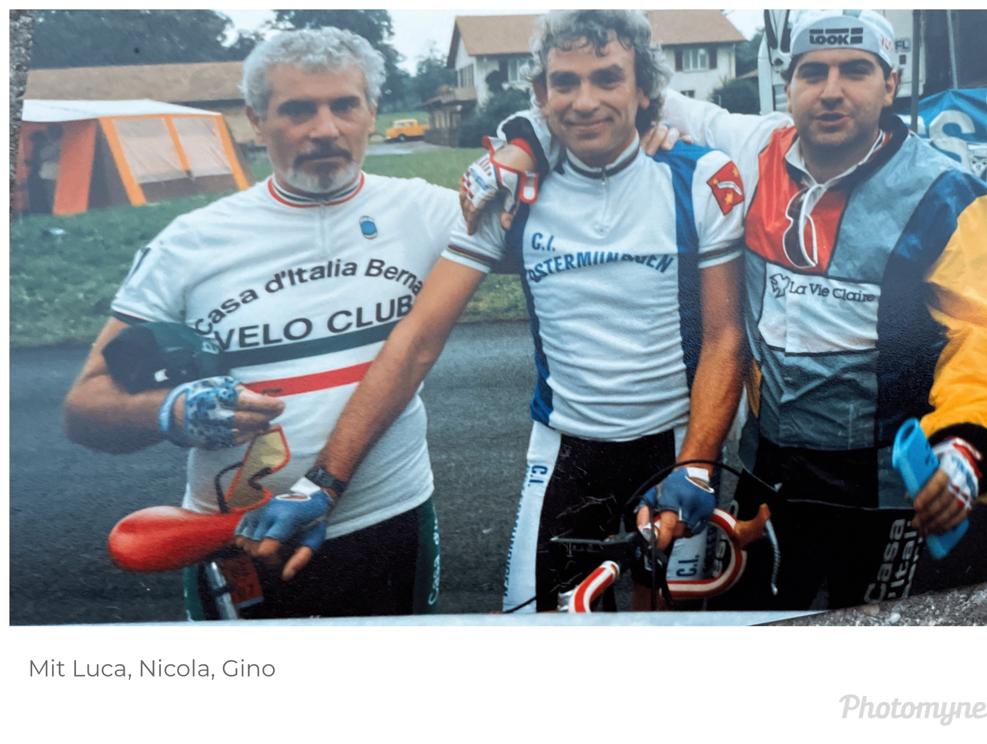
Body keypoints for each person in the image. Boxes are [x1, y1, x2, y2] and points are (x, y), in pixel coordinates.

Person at [478, 9, 987, 609]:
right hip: (769, 474)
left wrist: (967, 444)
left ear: (891, 83)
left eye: (856, 71)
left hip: (891, 489)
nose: (831, 90)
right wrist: (523, 140)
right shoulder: (754, 149)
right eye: (813, 72)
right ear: (788, 85)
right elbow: (604, 95)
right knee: (750, 632)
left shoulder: (950, 194)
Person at [263, 10, 747, 612]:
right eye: (564, 82)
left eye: (607, 78)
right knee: (540, 628)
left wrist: (698, 464)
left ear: (644, 89)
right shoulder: (512, 190)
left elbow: (725, 337)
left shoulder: (701, 176)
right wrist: (323, 482)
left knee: (671, 630)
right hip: (566, 448)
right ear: (541, 94)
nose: (585, 101)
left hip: (676, 444)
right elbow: (417, 339)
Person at [63, 27, 461, 619]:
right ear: (255, 121)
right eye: (298, 110)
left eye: (344, 105)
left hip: (386, 520)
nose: (325, 129)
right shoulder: (192, 242)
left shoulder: (426, 210)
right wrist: (170, 411)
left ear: (371, 113)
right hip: (237, 540)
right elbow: (83, 409)